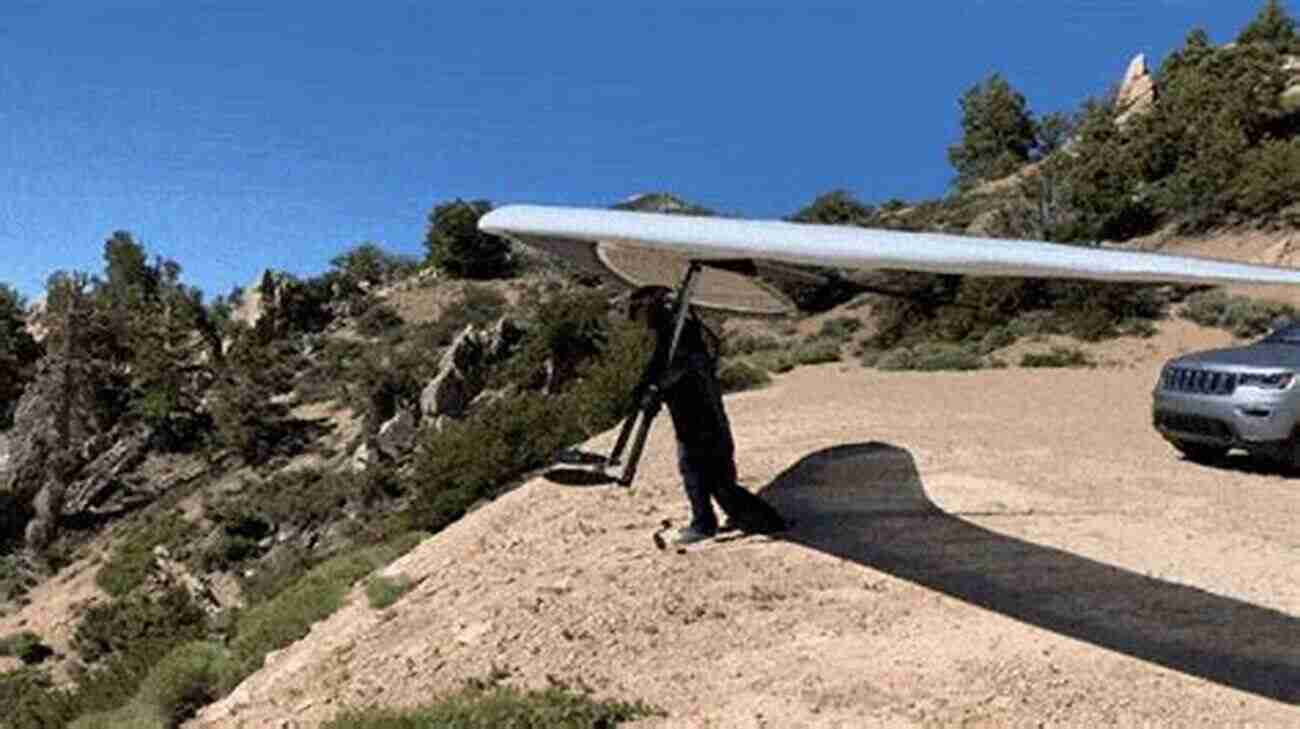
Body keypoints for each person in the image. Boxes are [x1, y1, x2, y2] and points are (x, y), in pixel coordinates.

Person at [626, 285, 787, 544]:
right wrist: (644, 389)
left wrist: (659, 387)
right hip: (694, 418)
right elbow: (658, 367)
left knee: (710, 477)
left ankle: (733, 522)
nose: (640, 320)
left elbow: (685, 366)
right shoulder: (672, 334)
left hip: (701, 419)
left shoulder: (683, 333)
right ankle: (714, 519)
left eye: (642, 312)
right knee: (706, 474)